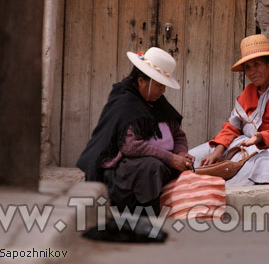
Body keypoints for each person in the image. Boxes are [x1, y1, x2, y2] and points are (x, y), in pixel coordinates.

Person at [189, 34, 269, 186]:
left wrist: (261, 137)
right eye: (247, 67)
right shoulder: (249, 91)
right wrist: (217, 151)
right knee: (193, 157)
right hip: (244, 145)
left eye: (256, 64)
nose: (252, 72)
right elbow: (232, 127)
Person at [77, 47, 194, 217]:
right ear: (141, 81)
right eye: (160, 85)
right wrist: (170, 158)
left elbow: (178, 135)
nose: (163, 91)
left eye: (164, 86)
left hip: (161, 163)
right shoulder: (125, 104)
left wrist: (181, 153)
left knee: (181, 168)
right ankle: (145, 217)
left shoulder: (158, 103)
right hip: (122, 167)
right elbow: (130, 146)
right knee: (151, 168)